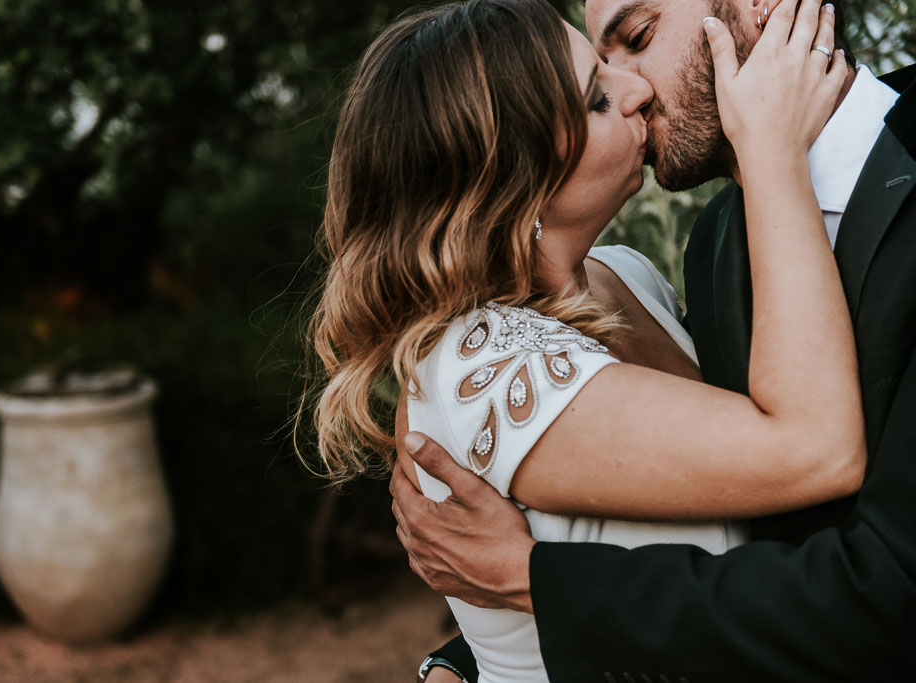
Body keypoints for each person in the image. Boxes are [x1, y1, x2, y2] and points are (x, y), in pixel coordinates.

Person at [391, 0, 916, 681]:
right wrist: (490, 648)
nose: (632, 88)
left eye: (637, 37)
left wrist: (540, 585)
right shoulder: (720, 240)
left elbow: (888, 587)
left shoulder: (639, 277)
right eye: (599, 82)